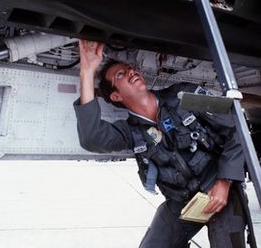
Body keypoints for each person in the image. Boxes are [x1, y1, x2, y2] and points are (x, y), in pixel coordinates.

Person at [74, 39, 248, 248]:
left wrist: (226, 181)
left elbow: (235, 127)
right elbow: (91, 138)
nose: (131, 72)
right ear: (116, 95)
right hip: (182, 203)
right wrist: (87, 71)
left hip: (219, 187)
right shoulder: (131, 132)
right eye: (121, 75)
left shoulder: (184, 94)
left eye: (130, 69)